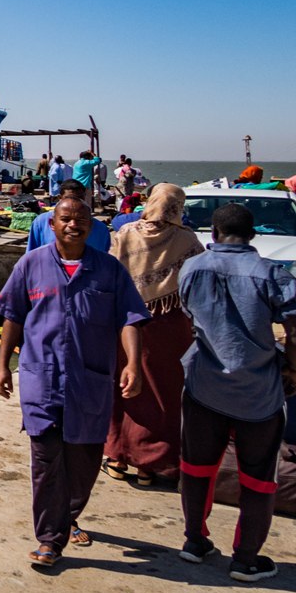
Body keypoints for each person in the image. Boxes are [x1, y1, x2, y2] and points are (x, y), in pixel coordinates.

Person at [0, 198, 148, 568]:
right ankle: (49, 539)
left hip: (89, 379)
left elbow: (129, 317)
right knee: (45, 460)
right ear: (52, 224)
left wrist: (134, 365)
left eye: (81, 219)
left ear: (92, 226)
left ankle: (67, 515)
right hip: (40, 379)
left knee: (83, 463)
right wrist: (1, 366)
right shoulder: (30, 265)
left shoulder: (109, 270)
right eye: (66, 219)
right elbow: (13, 316)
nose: (73, 225)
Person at [176, 203, 296, 581]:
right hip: (258, 394)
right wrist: (295, 369)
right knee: (259, 477)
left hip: (203, 385)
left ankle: (195, 541)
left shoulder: (192, 268)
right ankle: (246, 558)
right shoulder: (271, 274)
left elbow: (190, 316)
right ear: (252, 236)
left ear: (213, 234)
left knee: (196, 467)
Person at [103, 184, 204, 486]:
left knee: (121, 385)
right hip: (168, 324)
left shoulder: (125, 234)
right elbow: (198, 281)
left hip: (124, 321)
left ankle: (116, 455)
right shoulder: (186, 239)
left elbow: (110, 273)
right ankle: (150, 464)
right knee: (163, 391)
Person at [27, 181, 111, 252]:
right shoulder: (41, 222)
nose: (73, 203)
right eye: (69, 198)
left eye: (79, 198)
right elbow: (30, 256)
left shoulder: (101, 229)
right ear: (60, 198)